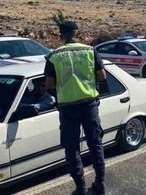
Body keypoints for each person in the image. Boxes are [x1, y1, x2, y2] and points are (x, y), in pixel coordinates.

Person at [45, 21, 107, 195]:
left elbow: (49, 85)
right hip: (89, 105)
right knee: (96, 145)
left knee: (72, 149)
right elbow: (102, 76)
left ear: (61, 35)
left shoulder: (54, 56)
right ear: (77, 33)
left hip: (67, 108)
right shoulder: (89, 50)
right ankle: (100, 185)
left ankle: (80, 188)